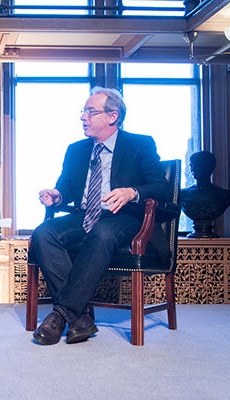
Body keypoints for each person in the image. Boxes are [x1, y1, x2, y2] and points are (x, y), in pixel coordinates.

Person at [29, 86, 172, 345]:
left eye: (90, 112)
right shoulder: (76, 149)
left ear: (112, 116)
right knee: (43, 233)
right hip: (85, 215)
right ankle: (80, 317)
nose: (83, 117)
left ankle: (60, 315)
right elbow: (66, 189)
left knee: (102, 233)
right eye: (83, 111)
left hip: (124, 217)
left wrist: (131, 192)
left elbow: (163, 189)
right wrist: (56, 195)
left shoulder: (140, 144)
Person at [180, 150, 230, 237]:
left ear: (209, 167)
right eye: (191, 165)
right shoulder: (182, 194)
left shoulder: (226, 195)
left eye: (198, 165)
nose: (193, 169)